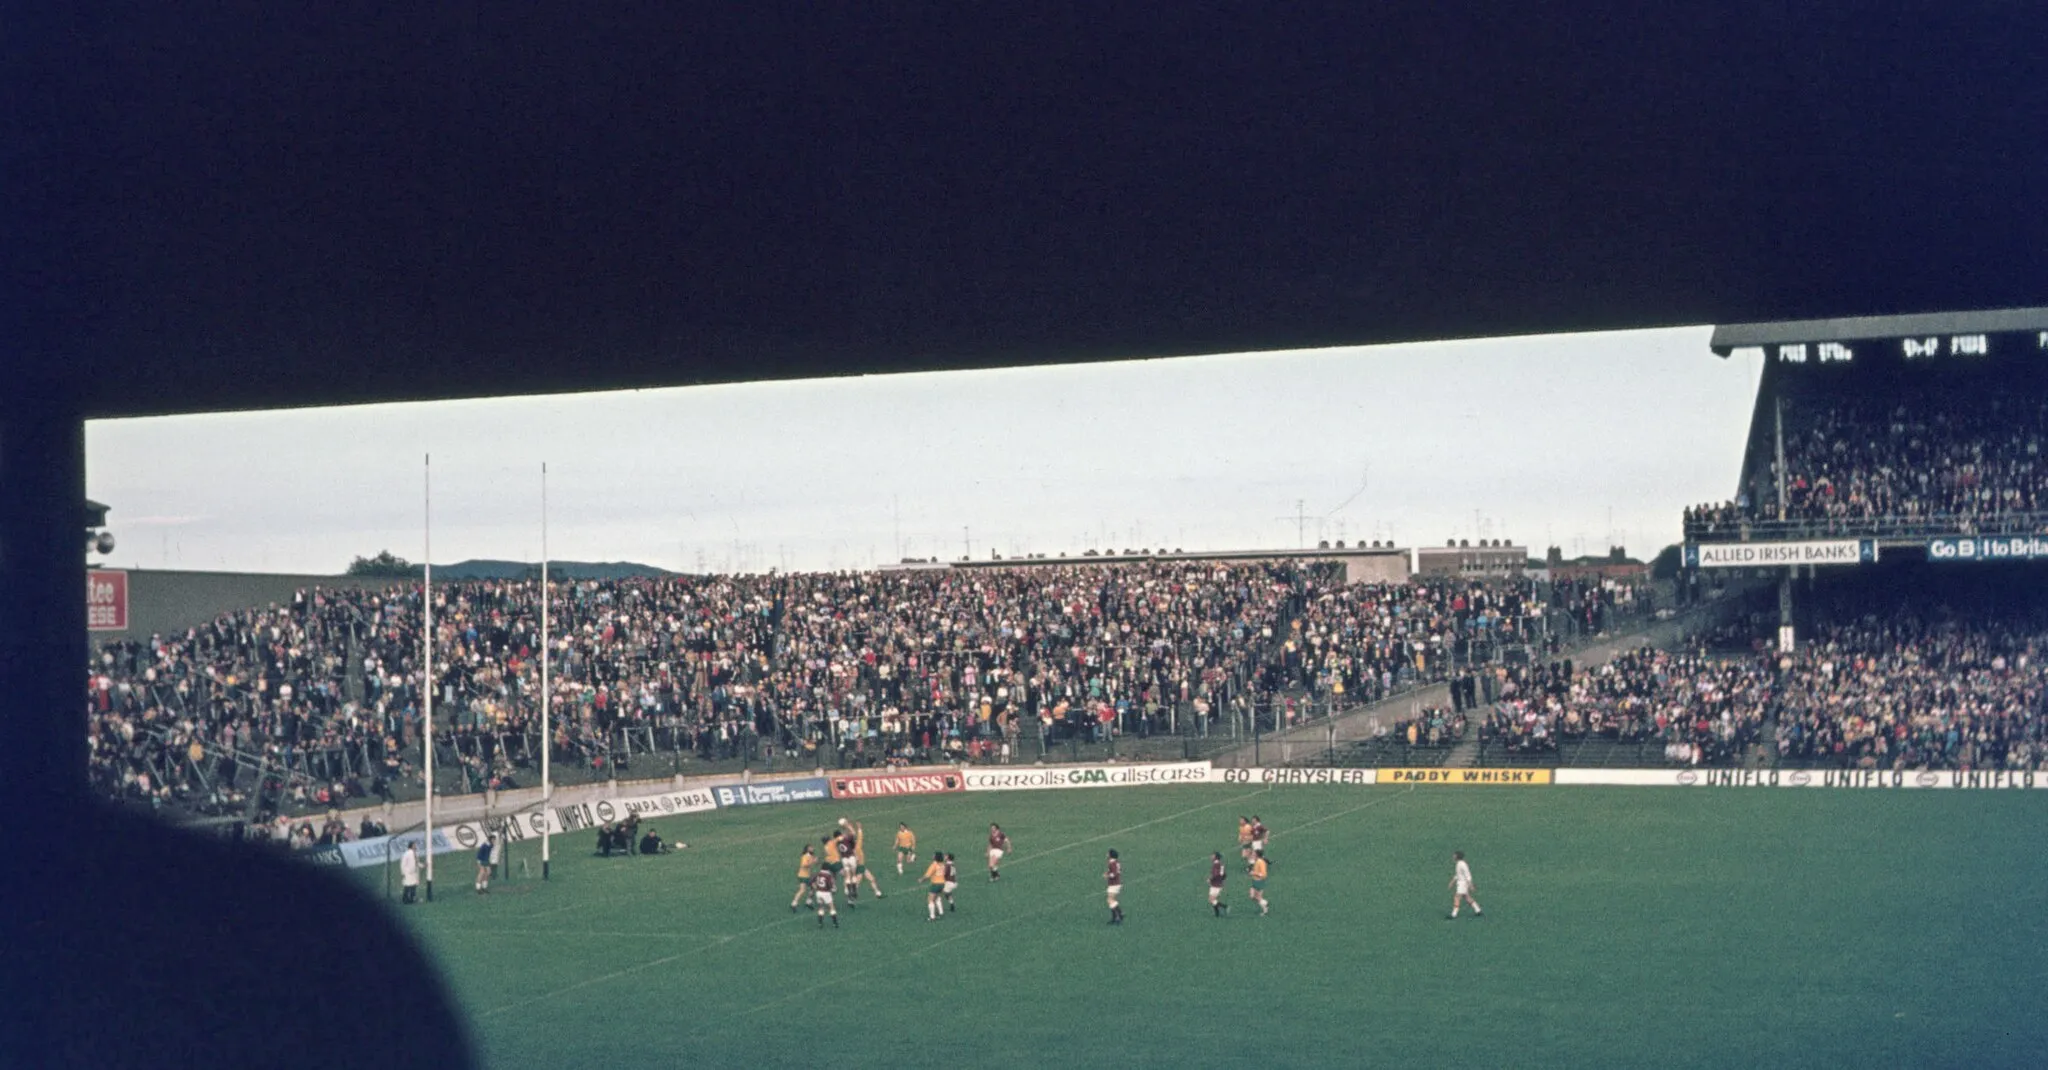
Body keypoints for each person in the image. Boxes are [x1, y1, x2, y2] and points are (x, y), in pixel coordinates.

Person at [843, 818, 884, 899]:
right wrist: (859, 828)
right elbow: (859, 837)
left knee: (872, 879)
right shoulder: (857, 847)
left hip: (861, 866)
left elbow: (855, 836)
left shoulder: (850, 848)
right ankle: (850, 897)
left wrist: (850, 826)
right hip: (859, 867)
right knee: (857, 884)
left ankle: (877, 893)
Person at [1448, 850, 1482, 920]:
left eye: (1454, 855)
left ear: (1457, 856)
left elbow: (1468, 875)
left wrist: (1470, 885)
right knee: (1467, 897)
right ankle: (1478, 910)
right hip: (1461, 883)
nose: (1453, 856)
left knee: (1457, 897)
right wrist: (1452, 882)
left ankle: (1454, 914)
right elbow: (1458, 874)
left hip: (1462, 884)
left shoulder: (1462, 864)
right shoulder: (1459, 864)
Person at [791, 843, 818, 912]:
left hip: (805, 876)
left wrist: (815, 861)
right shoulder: (805, 856)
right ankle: (807, 902)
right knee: (810, 888)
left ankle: (795, 903)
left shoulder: (811, 856)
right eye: (811, 847)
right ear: (808, 849)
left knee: (808, 889)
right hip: (804, 876)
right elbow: (804, 865)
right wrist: (813, 862)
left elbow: (812, 863)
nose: (813, 848)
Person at [921, 854, 948, 921]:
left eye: (934, 855)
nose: (932, 856)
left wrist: (921, 879)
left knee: (930, 900)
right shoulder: (943, 865)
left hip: (936, 884)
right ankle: (941, 912)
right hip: (943, 884)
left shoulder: (933, 865)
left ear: (936, 858)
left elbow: (927, 875)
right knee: (937, 898)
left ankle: (932, 917)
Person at [1104, 849, 1124, 925]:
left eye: (1108, 853)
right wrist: (1108, 872)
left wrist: (1108, 875)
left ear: (1110, 855)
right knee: (1112, 900)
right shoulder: (1115, 862)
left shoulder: (1112, 863)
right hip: (1116, 884)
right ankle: (1119, 915)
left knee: (1110, 900)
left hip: (1114, 884)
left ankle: (1117, 916)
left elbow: (1114, 874)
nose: (1107, 854)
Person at [1248, 851, 1269, 916]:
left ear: (1257, 855)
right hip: (1255, 881)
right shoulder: (1257, 861)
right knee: (1252, 896)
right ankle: (1265, 903)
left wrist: (1254, 873)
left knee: (1258, 897)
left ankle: (1265, 909)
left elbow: (1264, 874)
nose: (1252, 855)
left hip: (1259, 882)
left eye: (1254, 854)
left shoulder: (1260, 862)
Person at [1208, 851, 1229, 917]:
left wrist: (1210, 879)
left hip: (1216, 885)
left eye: (1212, 855)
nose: (1211, 856)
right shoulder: (1221, 864)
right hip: (1217, 884)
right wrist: (1222, 880)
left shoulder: (1216, 864)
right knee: (1211, 899)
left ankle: (1225, 907)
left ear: (1215, 857)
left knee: (1211, 899)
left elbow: (1216, 874)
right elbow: (1224, 875)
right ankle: (1217, 914)